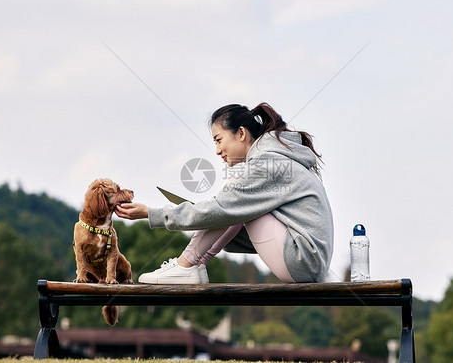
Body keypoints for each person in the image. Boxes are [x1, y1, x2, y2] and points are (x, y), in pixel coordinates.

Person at [115, 103, 334, 284]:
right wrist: (207, 219)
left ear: (240, 133)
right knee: (232, 202)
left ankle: (187, 265)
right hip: (307, 261)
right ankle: (194, 266)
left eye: (219, 140)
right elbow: (227, 212)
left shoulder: (268, 163)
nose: (217, 150)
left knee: (232, 196)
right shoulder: (274, 160)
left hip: (302, 261)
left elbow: (225, 209)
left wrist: (151, 213)